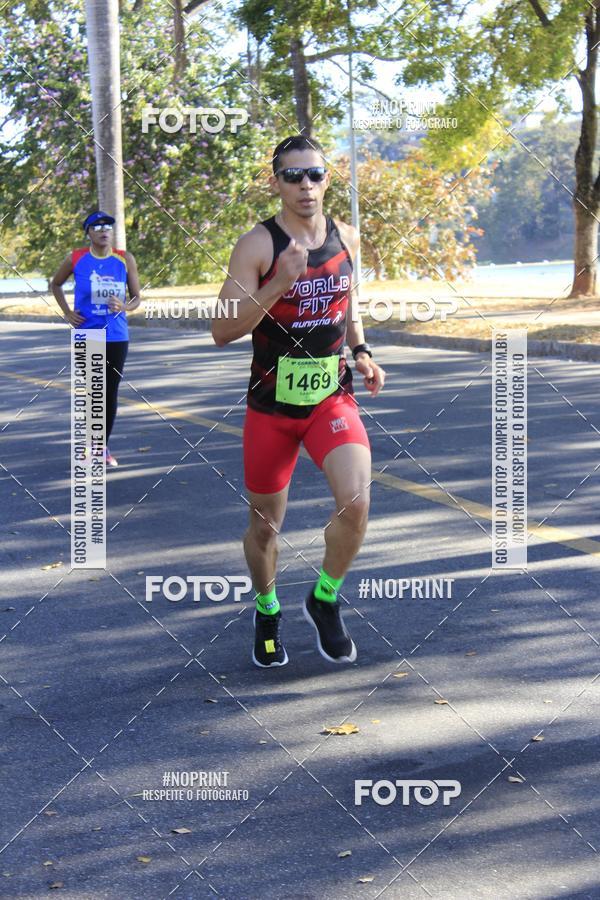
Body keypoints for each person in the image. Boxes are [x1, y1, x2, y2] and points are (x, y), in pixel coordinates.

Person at [213, 135, 385, 668]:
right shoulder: (258, 246)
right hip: (271, 407)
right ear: (276, 182)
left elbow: (346, 298)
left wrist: (361, 349)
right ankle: (267, 610)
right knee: (265, 524)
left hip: (330, 398)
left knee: (356, 504)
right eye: (293, 176)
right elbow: (221, 330)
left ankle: (324, 598)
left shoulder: (346, 237)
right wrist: (278, 283)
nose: (305, 185)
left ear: (327, 178)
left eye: (314, 174)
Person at [50, 211, 142, 467]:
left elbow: (136, 298)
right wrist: (68, 313)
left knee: (109, 393)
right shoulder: (77, 258)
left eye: (108, 227)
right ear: (88, 232)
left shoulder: (124, 259)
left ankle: (101, 447)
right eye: (98, 227)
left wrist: (124, 306)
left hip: (116, 335)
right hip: (87, 332)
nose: (104, 231)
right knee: (93, 392)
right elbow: (55, 284)